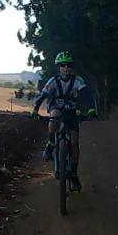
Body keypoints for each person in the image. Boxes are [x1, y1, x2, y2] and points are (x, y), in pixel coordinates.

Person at [31, 51, 97, 191]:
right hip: (56, 108)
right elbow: (43, 95)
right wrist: (35, 110)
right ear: (58, 67)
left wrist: (91, 109)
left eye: (68, 65)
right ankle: (50, 143)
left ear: (71, 67)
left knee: (74, 142)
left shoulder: (77, 81)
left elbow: (87, 94)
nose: (65, 68)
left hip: (71, 111)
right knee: (54, 116)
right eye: (62, 65)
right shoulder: (53, 81)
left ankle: (73, 173)